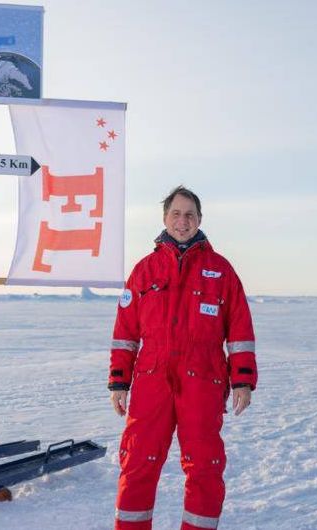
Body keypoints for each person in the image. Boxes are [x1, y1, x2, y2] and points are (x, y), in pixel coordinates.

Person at [108, 186, 258, 530]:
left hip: (203, 380)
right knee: (138, 463)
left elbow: (239, 329)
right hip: (152, 380)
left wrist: (243, 381)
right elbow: (125, 332)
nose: (182, 221)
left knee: (204, 466)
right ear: (165, 218)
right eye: (176, 213)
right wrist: (119, 381)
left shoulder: (221, 271)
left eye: (190, 214)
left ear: (200, 220)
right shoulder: (144, 271)